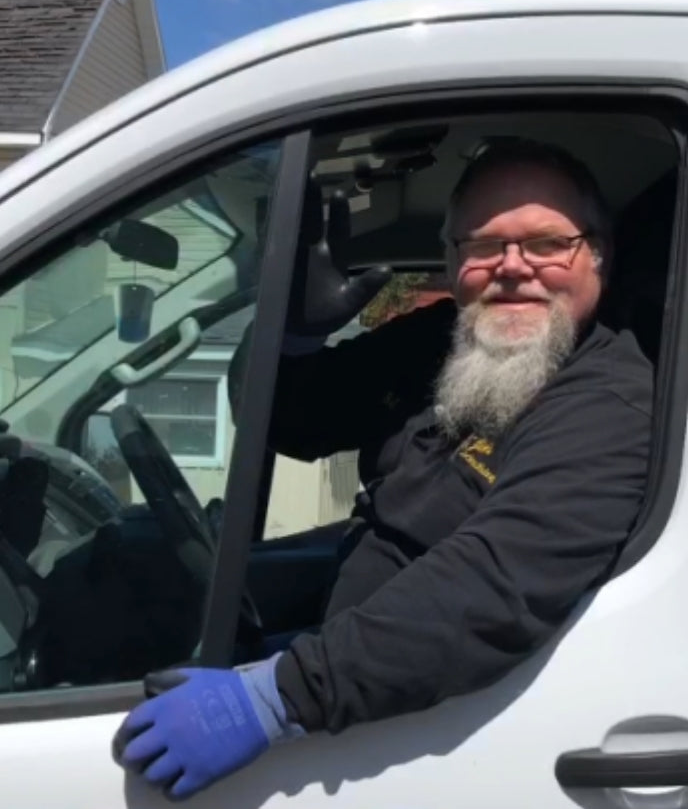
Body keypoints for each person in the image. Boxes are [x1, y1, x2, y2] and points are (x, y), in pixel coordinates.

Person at [112, 138, 654, 800]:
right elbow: (295, 420)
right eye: (483, 245)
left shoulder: (609, 403)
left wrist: (274, 698)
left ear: (596, 255)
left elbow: (494, 587)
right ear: (453, 261)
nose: (513, 268)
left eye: (546, 243)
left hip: (431, 735)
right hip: (357, 661)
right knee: (124, 569)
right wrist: (293, 333)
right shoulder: (450, 336)